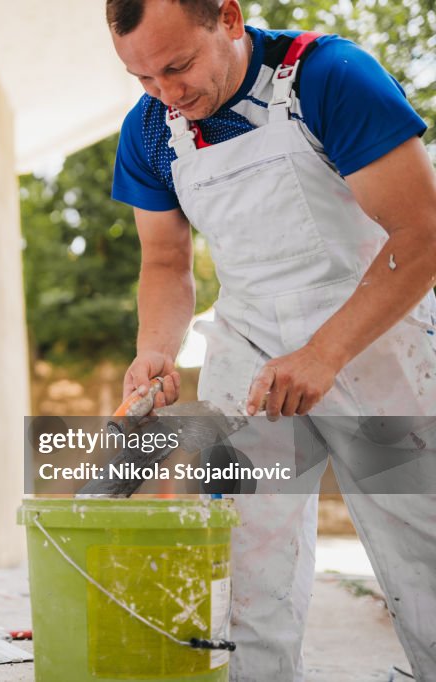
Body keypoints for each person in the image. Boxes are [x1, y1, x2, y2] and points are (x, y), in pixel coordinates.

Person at [106, 0, 436, 678]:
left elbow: (423, 234)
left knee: (421, 550)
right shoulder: (149, 131)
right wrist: (156, 349)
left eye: (178, 66)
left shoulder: (329, 77)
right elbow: (164, 261)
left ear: (227, 19)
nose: (166, 93)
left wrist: (324, 353)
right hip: (248, 353)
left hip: (375, 347)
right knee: (245, 561)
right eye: (143, 77)